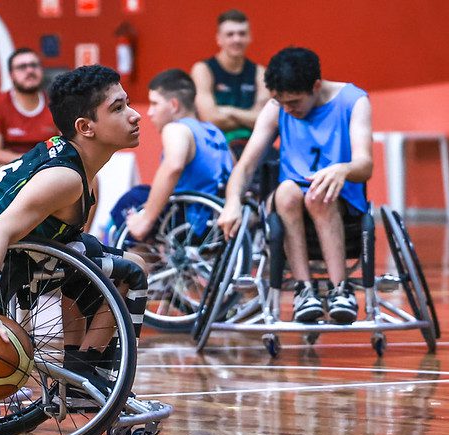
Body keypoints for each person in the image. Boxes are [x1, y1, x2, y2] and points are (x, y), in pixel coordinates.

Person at [0, 65, 142, 368]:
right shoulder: (65, 178)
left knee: (86, 251)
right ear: (85, 127)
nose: (135, 115)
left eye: (128, 103)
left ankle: (80, 373)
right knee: (133, 269)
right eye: (118, 108)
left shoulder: (81, 167)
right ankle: (89, 372)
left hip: (22, 247)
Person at [217, 47, 373, 324]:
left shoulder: (354, 101)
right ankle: (304, 290)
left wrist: (343, 168)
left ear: (316, 86)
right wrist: (231, 203)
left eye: (294, 101)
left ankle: (341, 289)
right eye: (281, 101)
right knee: (288, 190)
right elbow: (245, 167)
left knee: (318, 195)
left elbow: (365, 164)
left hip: (340, 200)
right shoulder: (278, 107)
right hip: (289, 204)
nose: (288, 109)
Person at [110, 68, 233, 242]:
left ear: (174, 105)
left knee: (133, 198)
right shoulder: (215, 133)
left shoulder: (177, 128)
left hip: (189, 222)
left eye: (155, 103)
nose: (150, 112)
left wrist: (147, 219)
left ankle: (139, 263)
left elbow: (174, 165)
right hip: (215, 225)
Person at [190, 9, 269, 157]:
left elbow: (263, 120)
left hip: (253, 148)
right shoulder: (203, 70)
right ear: (219, 39)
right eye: (230, 34)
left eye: (242, 33)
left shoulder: (260, 73)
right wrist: (248, 117)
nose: (236, 39)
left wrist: (228, 111)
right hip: (214, 146)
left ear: (250, 37)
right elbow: (211, 119)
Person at [0, 47, 58, 174]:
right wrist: (33, 162)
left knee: (86, 177)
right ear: (11, 75)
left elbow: (69, 143)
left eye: (34, 65)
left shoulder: (56, 105)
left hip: (49, 167)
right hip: (8, 168)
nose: (30, 70)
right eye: (22, 67)